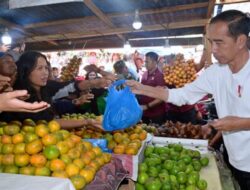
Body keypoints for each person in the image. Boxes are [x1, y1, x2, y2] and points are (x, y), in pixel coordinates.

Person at [126, 10, 250, 190]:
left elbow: (239, 120)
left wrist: (240, 123)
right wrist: (142, 88)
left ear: (240, 41)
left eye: (219, 42)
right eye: (210, 43)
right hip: (234, 158)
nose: (213, 50)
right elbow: (182, 95)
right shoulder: (217, 72)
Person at [2, 51, 112, 130]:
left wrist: (94, 82)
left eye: (46, 68)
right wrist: (87, 122)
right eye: (39, 68)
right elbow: (48, 123)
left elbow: (71, 86)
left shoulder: (46, 87)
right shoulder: (20, 94)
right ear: (26, 71)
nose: (45, 72)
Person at [138, 52, 166, 124]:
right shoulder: (144, 74)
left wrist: (147, 106)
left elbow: (162, 97)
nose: (145, 63)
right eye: (145, 61)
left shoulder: (160, 76)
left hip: (156, 114)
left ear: (154, 62)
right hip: (145, 113)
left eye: (147, 62)